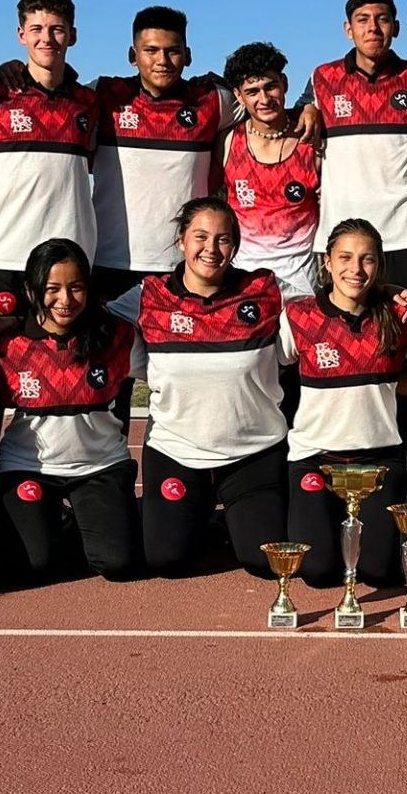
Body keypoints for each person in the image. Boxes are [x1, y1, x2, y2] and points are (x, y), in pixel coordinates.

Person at [130, 197, 287, 577]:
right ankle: (182, 514)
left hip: (254, 450)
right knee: (167, 560)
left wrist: (389, 295)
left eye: (223, 239)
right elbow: (87, 320)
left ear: (235, 246)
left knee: (266, 563)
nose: (211, 249)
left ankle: (227, 518)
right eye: (200, 236)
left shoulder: (266, 291)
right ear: (181, 239)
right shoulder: (146, 297)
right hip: (177, 450)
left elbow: (326, 308)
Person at [0, 239, 141, 582]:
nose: (65, 300)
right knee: (35, 564)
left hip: (100, 465)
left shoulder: (116, 336)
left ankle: (92, 520)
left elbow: (167, 377)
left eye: (76, 288)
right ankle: (52, 520)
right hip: (29, 466)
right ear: (31, 290)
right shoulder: (5, 344)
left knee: (118, 564)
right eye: (52, 289)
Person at [280, 219, 407, 587]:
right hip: (316, 456)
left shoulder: (399, 314)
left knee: (376, 572)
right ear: (327, 260)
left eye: (367, 259)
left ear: (380, 265)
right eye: (344, 257)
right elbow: (261, 369)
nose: (355, 269)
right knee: (316, 571)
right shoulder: (297, 315)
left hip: (379, 457)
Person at [90, 6, 236, 301]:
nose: (162, 61)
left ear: (188, 55)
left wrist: (307, 109)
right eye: (151, 50)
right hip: (109, 260)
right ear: (133, 56)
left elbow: (264, 116)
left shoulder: (213, 101)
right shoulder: (102, 95)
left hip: (182, 264)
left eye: (172, 51)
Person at [0, 0, 97, 319]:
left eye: (57, 29)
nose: (47, 39)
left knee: (64, 363)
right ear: (21, 34)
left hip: (69, 257)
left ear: (73, 35)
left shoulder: (90, 101)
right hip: (3, 256)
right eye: (37, 29)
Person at [305, 0, 407, 289]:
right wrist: (308, 107)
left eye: (382, 20)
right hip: (340, 234)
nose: (373, 28)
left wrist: (403, 171)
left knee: (404, 326)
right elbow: (302, 120)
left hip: (403, 233)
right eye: (363, 20)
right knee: (345, 330)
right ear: (348, 30)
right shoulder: (323, 77)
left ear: (396, 28)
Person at [220, 42, 321, 302]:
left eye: (270, 86)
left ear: (284, 83)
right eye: (252, 91)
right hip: (243, 285)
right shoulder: (228, 142)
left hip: (303, 288)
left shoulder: (311, 140)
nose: (264, 99)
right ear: (239, 96)